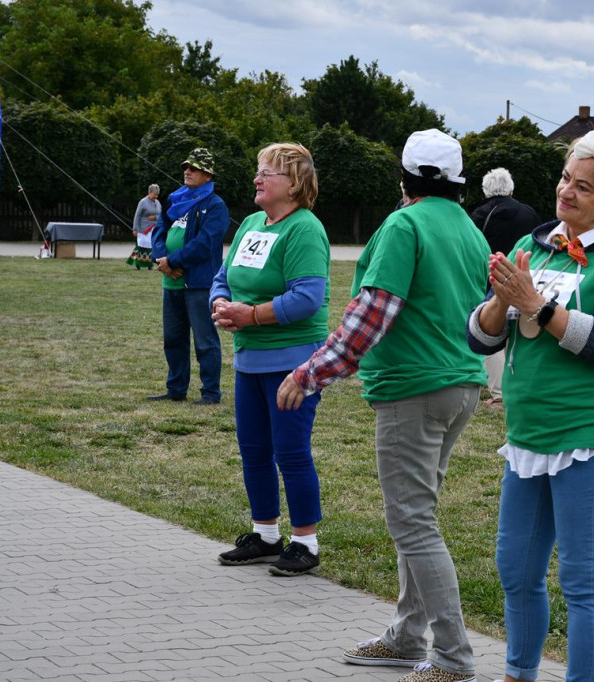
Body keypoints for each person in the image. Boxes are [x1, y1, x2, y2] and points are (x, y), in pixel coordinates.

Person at [277, 129, 488, 682]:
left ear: (405, 177)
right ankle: (405, 636)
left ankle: (452, 658)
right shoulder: (466, 225)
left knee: (413, 522)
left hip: (412, 388)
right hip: (460, 385)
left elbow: (372, 314)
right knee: (419, 516)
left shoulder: (404, 224)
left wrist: (311, 372)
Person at [466, 128, 594, 682]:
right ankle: (517, 674)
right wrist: (501, 304)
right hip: (528, 436)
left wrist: (536, 305)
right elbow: (481, 339)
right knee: (516, 572)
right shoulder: (536, 243)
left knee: (583, 582)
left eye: (584, 187)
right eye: (564, 180)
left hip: (589, 438)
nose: (566, 193)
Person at [208, 143, 329, 575]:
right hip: (250, 361)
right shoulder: (252, 225)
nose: (257, 179)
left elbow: (307, 299)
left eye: (268, 173)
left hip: (292, 364)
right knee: (254, 451)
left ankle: (305, 543)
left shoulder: (305, 230)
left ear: (294, 184)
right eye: (258, 170)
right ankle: (265, 534)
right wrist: (221, 303)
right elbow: (222, 278)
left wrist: (251, 315)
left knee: (291, 453)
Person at [149, 148, 230, 405]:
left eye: (193, 168)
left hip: (200, 283)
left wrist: (173, 260)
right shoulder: (175, 200)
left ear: (207, 175)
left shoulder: (215, 206)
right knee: (173, 339)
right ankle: (175, 389)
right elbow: (159, 229)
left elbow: (205, 243)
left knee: (205, 341)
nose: (187, 171)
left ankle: (210, 393)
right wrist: (162, 260)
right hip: (171, 281)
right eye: (186, 167)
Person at [469, 168, 540, 409]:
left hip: (491, 278)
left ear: (485, 191)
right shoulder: (528, 213)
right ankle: (521, 387)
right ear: (511, 189)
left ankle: (499, 393)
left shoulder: (478, 216)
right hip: (525, 276)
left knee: (490, 330)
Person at [126, 184, 161, 269]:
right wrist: (135, 229)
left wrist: (155, 217)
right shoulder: (143, 202)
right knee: (142, 245)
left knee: (152, 245)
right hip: (143, 228)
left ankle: (150, 264)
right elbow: (137, 216)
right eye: (154, 194)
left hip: (154, 228)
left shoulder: (158, 203)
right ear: (149, 192)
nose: (155, 196)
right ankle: (138, 263)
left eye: (157, 195)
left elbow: (161, 214)